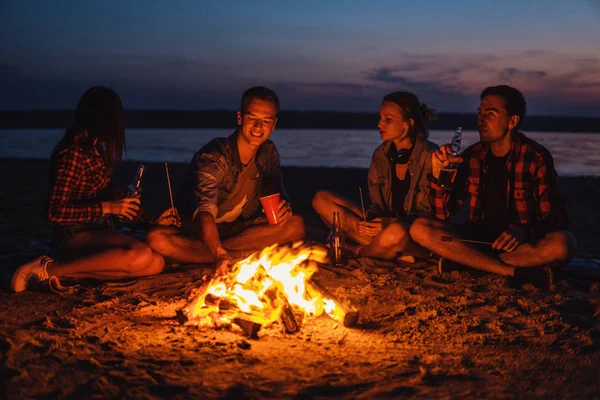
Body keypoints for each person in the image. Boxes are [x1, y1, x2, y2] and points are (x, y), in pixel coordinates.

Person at [11, 86, 176, 293]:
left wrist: (149, 220)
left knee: (156, 263)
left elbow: (105, 190)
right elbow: (54, 211)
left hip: (98, 229)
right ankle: (47, 268)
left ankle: (66, 273)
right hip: (73, 233)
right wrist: (108, 208)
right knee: (141, 254)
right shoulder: (72, 152)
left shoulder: (95, 148)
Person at [410, 85, 576, 287]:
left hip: (519, 245)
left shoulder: (535, 156)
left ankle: (469, 263)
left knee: (563, 244)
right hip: (479, 239)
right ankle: (508, 270)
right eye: (480, 112)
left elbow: (556, 217)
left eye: (491, 114)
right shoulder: (472, 156)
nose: (481, 119)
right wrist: (440, 177)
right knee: (420, 228)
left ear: (512, 121)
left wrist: (523, 230)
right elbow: (442, 216)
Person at [147, 86, 305, 274]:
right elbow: (203, 211)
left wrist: (284, 207)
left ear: (274, 124)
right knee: (157, 239)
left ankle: (207, 256)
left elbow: (278, 193)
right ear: (240, 117)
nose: (258, 127)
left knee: (295, 225)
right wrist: (217, 250)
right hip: (197, 231)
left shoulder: (268, 153)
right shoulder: (215, 156)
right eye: (252, 118)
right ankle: (229, 254)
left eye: (266, 121)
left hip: (236, 230)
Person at [312, 91, 437, 261]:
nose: (380, 124)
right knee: (321, 199)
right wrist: (369, 223)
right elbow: (377, 204)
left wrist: (390, 222)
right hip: (383, 231)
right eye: (380, 118)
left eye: (388, 119)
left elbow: (429, 216)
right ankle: (386, 251)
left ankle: (359, 252)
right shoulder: (381, 155)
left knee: (396, 233)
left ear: (408, 123)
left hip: (409, 234)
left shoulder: (430, 156)